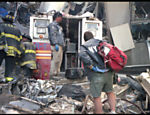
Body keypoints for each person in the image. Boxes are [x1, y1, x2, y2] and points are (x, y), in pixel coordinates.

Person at [79, 31, 116, 114]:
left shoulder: (84, 46)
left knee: (97, 97)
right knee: (110, 92)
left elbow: (82, 56)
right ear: (93, 36)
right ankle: (113, 111)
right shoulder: (101, 42)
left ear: (84, 39)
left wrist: (92, 67)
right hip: (109, 72)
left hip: (96, 74)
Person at [0, 14, 22, 83]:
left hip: (2, 48)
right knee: (9, 66)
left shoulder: (1, 26)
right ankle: (8, 80)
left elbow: (2, 36)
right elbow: (20, 42)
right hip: (13, 51)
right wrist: (18, 53)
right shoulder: (17, 30)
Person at [48, 11, 65, 76]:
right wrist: (55, 44)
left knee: (59, 61)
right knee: (55, 60)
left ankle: (57, 74)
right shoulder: (53, 25)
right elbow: (53, 35)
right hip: (56, 45)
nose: (61, 19)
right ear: (57, 17)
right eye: (60, 17)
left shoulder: (58, 26)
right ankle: (52, 74)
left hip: (60, 45)